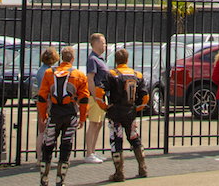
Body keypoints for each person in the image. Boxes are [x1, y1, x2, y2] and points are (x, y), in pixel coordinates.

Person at [38, 46, 91, 186]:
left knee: (48, 146)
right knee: (66, 146)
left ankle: (44, 179)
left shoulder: (49, 73)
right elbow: (84, 98)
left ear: (61, 58)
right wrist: (83, 118)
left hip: (54, 114)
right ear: (73, 59)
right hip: (71, 115)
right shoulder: (79, 75)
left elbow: (42, 97)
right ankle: (60, 180)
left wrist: (43, 115)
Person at [95, 47, 149, 181]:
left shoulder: (111, 74)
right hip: (130, 113)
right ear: (127, 60)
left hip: (115, 113)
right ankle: (143, 168)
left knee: (116, 141)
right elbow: (145, 96)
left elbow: (99, 91)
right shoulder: (137, 75)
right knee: (135, 138)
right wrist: (138, 108)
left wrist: (104, 106)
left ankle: (119, 173)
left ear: (115, 60)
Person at [84, 32, 109, 163]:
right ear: (97, 44)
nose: (105, 45)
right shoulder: (92, 60)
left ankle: (93, 151)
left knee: (99, 124)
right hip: (96, 97)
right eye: (103, 43)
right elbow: (90, 79)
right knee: (93, 124)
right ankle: (89, 153)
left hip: (101, 96)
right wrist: (95, 96)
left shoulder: (100, 59)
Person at [35, 47, 60, 139]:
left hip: (41, 101)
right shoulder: (49, 72)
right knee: (48, 131)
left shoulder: (40, 70)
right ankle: (44, 151)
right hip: (48, 102)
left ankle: (39, 152)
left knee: (42, 131)